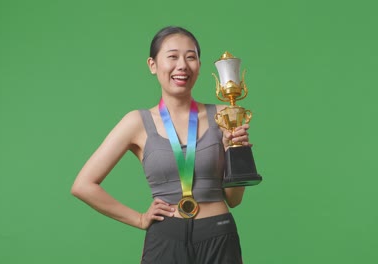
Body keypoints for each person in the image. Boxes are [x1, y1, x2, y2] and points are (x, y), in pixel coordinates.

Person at [71, 26, 252, 264]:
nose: (182, 65)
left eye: (191, 57)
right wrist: (139, 219)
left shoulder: (224, 115)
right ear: (153, 65)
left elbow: (234, 199)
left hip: (218, 233)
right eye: (172, 56)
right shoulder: (136, 122)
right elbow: (83, 185)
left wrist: (235, 151)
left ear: (199, 65)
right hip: (166, 238)